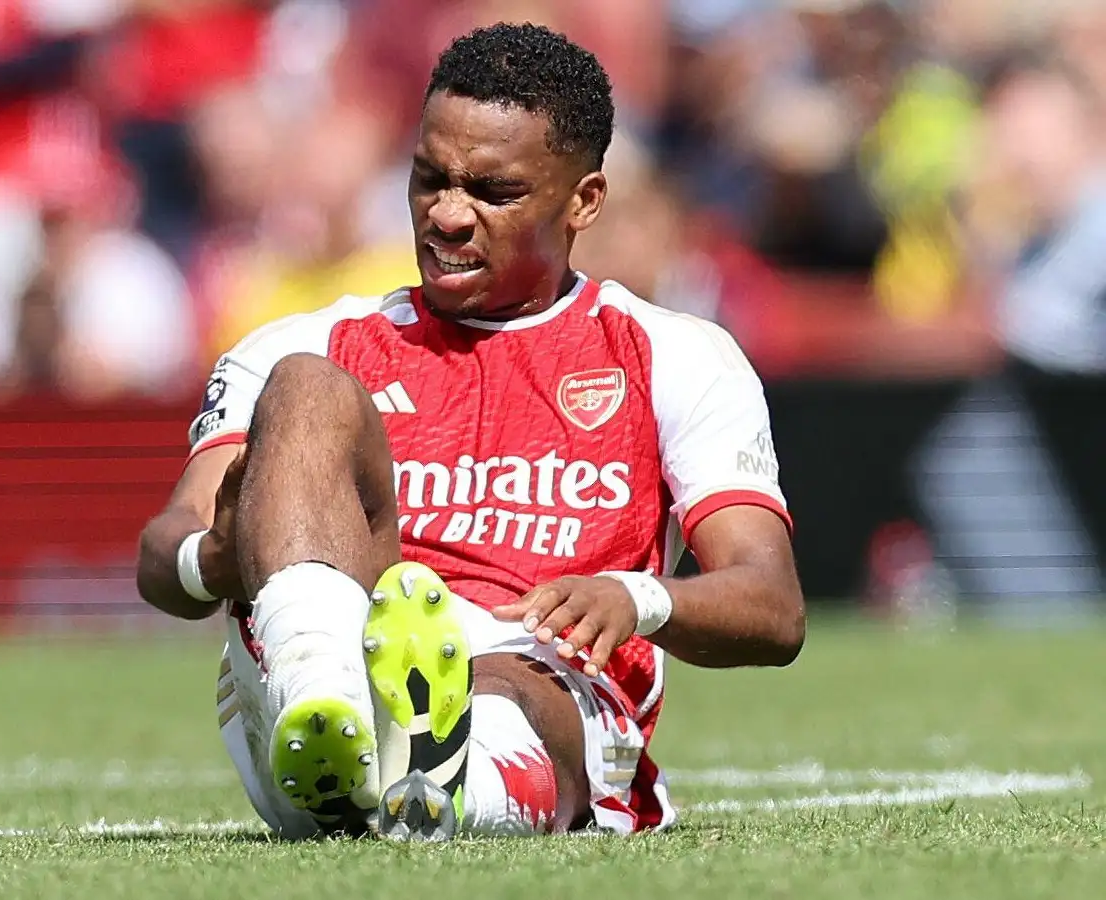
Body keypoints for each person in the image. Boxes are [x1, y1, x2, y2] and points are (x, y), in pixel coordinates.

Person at [135, 23, 804, 841]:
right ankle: (335, 710)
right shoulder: (306, 343)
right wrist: (217, 553)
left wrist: (637, 597)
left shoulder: (676, 357)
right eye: (428, 180)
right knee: (306, 393)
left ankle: (435, 783)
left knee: (509, 680)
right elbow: (164, 547)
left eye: (493, 191)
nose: (447, 214)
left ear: (584, 200)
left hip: (539, 689)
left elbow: (772, 607)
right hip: (306, 678)